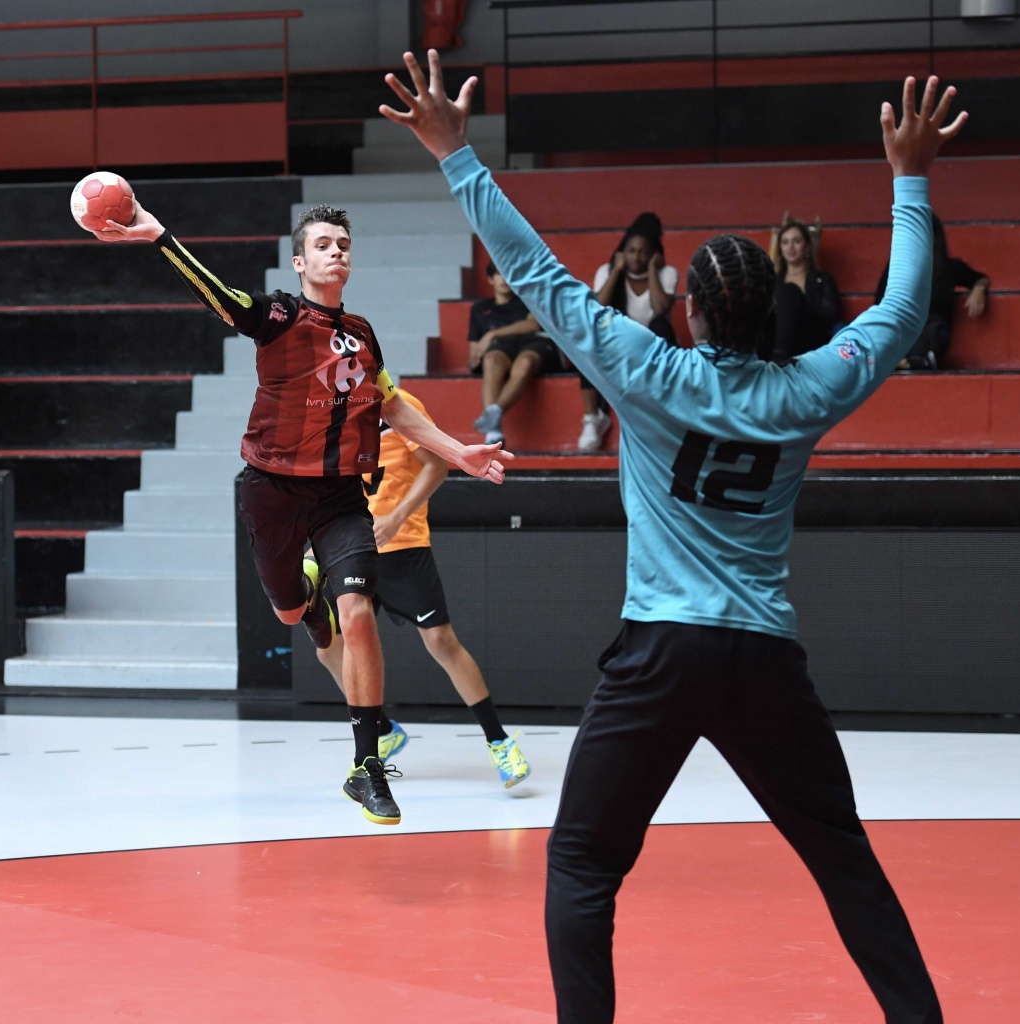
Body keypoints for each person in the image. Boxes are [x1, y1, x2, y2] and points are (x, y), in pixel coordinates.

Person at [382, 50, 964, 1022]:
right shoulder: (810, 387)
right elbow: (902, 312)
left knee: (582, 864)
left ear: (690, 312)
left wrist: (456, 153)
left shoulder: (648, 368)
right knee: (843, 860)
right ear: (770, 314)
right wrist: (910, 178)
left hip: (660, 651)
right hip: (763, 657)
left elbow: (536, 274)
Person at [87, 202, 511, 826]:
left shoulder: (362, 334)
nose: (336, 251)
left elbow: (392, 405)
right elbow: (224, 300)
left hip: (340, 497)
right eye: (323, 244)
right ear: (299, 261)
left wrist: (458, 452)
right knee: (293, 612)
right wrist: (162, 239)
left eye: (343, 243)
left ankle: (367, 766)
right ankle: (309, 604)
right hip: (273, 492)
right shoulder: (280, 316)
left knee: (358, 613)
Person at [314, 386, 531, 787]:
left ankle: (499, 741)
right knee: (329, 646)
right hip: (351, 547)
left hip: (402, 543)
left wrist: (396, 517)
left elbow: (436, 466)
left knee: (440, 641)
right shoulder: (329, 412)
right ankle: (381, 731)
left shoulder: (397, 404)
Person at [580, 212, 679, 451]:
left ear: (654, 254)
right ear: (622, 251)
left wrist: (653, 270)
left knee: (662, 326)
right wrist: (617, 270)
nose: (636, 257)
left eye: (644, 252)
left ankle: (661, 413)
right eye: (631, 251)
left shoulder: (667, 273)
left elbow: (661, 308)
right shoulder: (607, 271)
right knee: (588, 337)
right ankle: (593, 418)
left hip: (651, 345)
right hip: (618, 341)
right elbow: (597, 308)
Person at [874, 213, 989, 370]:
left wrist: (978, 290)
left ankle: (914, 362)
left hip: (930, 337)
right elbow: (879, 306)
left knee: (936, 329)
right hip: (901, 333)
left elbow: (980, 279)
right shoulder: (896, 268)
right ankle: (905, 362)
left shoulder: (949, 267)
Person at [469, 261, 562, 447]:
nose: (503, 279)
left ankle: (494, 413)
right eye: (498, 274)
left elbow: (533, 325)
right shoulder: (479, 309)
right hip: (502, 350)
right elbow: (473, 352)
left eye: (507, 274)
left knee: (525, 362)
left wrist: (493, 334)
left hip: (535, 343)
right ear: (490, 279)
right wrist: (475, 359)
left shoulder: (528, 299)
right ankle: (494, 431)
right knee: (491, 360)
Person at [770, 212, 842, 363]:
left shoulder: (823, 280)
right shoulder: (773, 281)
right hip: (777, 341)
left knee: (790, 292)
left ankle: (780, 360)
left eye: (796, 241)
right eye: (785, 242)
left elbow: (830, 318)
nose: (790, 247)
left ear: (807, 246)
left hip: (812, 340)